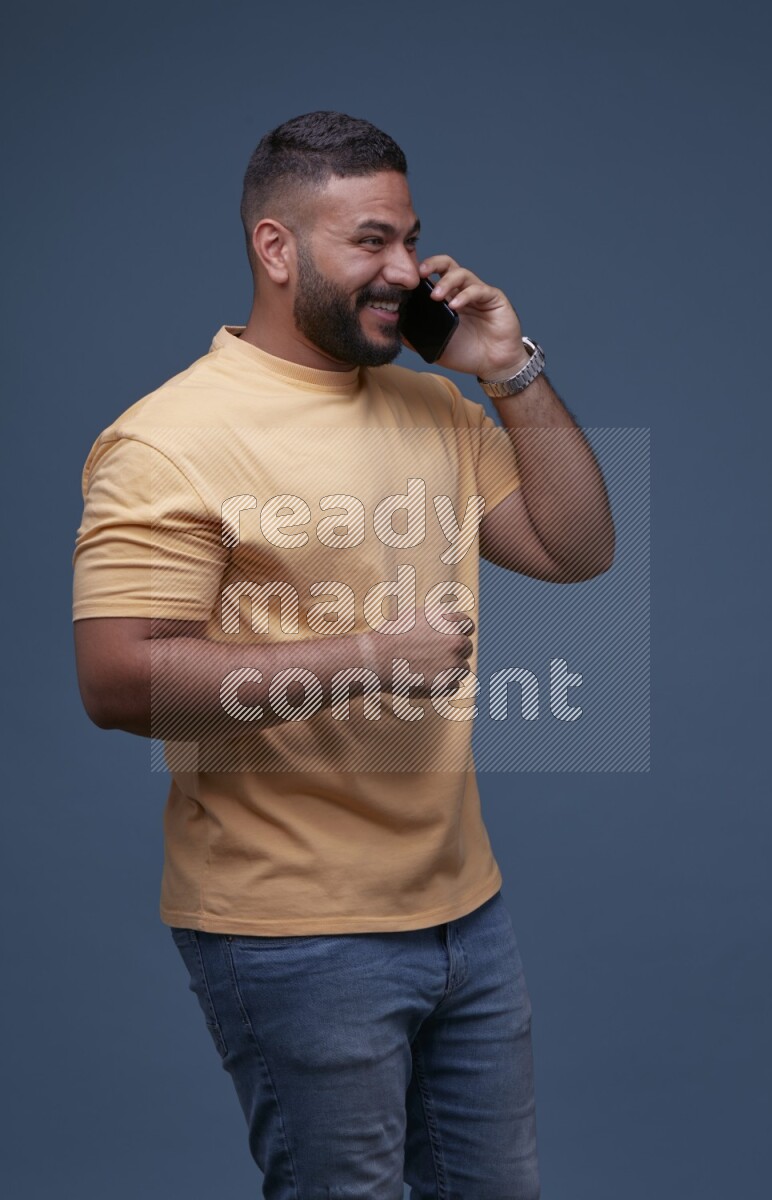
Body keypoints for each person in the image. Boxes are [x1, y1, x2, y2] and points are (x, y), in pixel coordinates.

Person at [72, 111, 614, 1199]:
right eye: (370, 242)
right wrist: (370, 652)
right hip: (292, 933)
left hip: (466, 908)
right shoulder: (168, 438)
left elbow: (576, 549)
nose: (407, 271)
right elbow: (119, 681)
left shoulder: (433, 407)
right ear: (277, 249)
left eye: (410, 239)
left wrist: (508, 375)